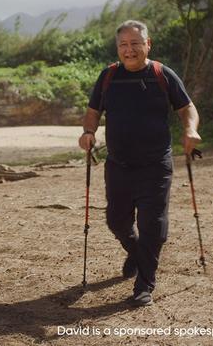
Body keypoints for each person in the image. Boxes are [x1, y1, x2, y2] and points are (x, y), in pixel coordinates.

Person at [78, 20, 201, 307]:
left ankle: (144, 283)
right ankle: (136, 252)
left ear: (148, 44)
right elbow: (93, 111)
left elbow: (187, 108)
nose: (129, 50)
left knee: (153, 225)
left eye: (135, 44)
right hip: (118, 164)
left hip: (155, 164)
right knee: (116, 221)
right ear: (118, 47)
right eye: (123, 44)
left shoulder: (162, 75)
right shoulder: (108, 76)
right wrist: (88, 132)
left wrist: (190, 129)